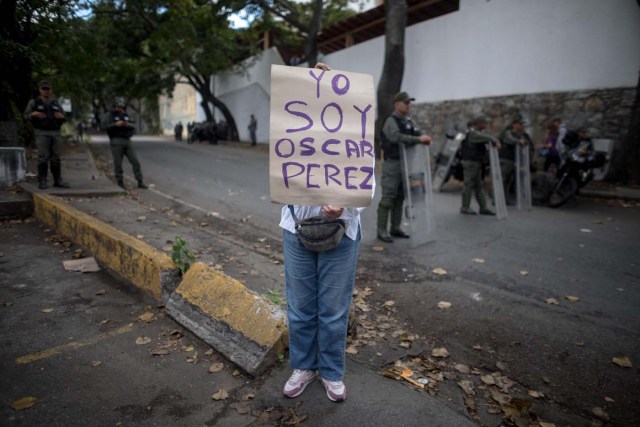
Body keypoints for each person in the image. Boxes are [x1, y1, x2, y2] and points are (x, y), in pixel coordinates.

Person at [281, 62, 368, 403]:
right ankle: (304, 366)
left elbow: (367, 183)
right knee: (301, 307)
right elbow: (282, 172)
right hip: (296, 227)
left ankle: (331, 373)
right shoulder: (290, 129)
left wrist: (345, 206)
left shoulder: (356, 132)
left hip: (341, 232)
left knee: (333, 310)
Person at [376, 92, 432, 243]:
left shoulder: (408, 121)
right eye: (405, 102)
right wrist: (419, 139)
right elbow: (396, 137)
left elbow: (418, 133)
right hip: (393, 164)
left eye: (409, 103)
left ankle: (395, 227)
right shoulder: (391, 121)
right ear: (396, 104)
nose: (409, 105)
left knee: (400, 198)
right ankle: (381, 230)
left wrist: (423, 138)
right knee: (388, 198)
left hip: (407, 164)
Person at [23, 80, 70, 189]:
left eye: (48, 89)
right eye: (44, 89)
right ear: (40, 90)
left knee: (56, 157)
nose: (46, 91)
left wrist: (61, 117)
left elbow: (64, 117)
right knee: (43, 157)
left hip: (55, 132)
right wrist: (33, 114)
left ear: (51, 90)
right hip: (42, 132)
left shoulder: (56, 103)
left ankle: (58, 180)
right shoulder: (34, 102)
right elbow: (25, 116)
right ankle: (42, 180)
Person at [459, 116, 500, 215]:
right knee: (468, 185)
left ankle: (483, 207)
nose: (485, 125)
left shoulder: (475, 132)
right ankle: (465, 207)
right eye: (484, 123)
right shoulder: (472, 133)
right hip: (470, 162)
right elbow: (485, 137)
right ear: (478, 123)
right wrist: (494, 140)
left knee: (479, 186)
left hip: (476, 162)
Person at [106, 99, 147, 190]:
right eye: (118, 107)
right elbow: (106, 127)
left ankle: (140, 181)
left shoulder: (125, 116)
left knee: (135, 161)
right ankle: (120, 181)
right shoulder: (110, 116)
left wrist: (127, 124)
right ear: (114, 107)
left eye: (121, 107)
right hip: (116, 140)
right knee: (118, 163)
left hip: (127, 140)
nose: (120, 108)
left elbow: (133, 126)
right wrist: (116, 124)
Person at [499, 117, 528, 205]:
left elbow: (525, 142)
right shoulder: (509, 133)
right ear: (514, 125)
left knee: (508, 180)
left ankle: (505, 199)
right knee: (502, 179)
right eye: (519, 124)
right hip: (505, 158)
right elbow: (510, 139)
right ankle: (497, 198)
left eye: (522, 125)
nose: (521, 126)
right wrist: (519, 142)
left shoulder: (519, 134)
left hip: (513, 159)